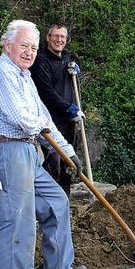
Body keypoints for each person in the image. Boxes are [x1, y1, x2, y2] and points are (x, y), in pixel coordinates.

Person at [0, 20, 88, 269]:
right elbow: (23, 119)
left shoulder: (24, 77)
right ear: (7, 45)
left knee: (56, 201)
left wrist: (67, 151)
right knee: (18, 222)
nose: (29, 52)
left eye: (33, 47)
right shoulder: (2, 73)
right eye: (24, 46)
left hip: (28, 150)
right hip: (6, 150)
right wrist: (44, 132)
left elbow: (43, 118)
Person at [29, 24, 84, 196]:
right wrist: (69, 108)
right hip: (50, 121)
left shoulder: (68, 59)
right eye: (55, 36)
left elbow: (71, 87)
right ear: (48, 38)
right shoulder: (41, 61)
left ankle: (65, 201)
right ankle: (49, 201)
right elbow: (47, 93)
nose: (59, 40)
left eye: (63, 37)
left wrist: (75, 69)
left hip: (68, 121)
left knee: (69, 165)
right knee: (54, 162)